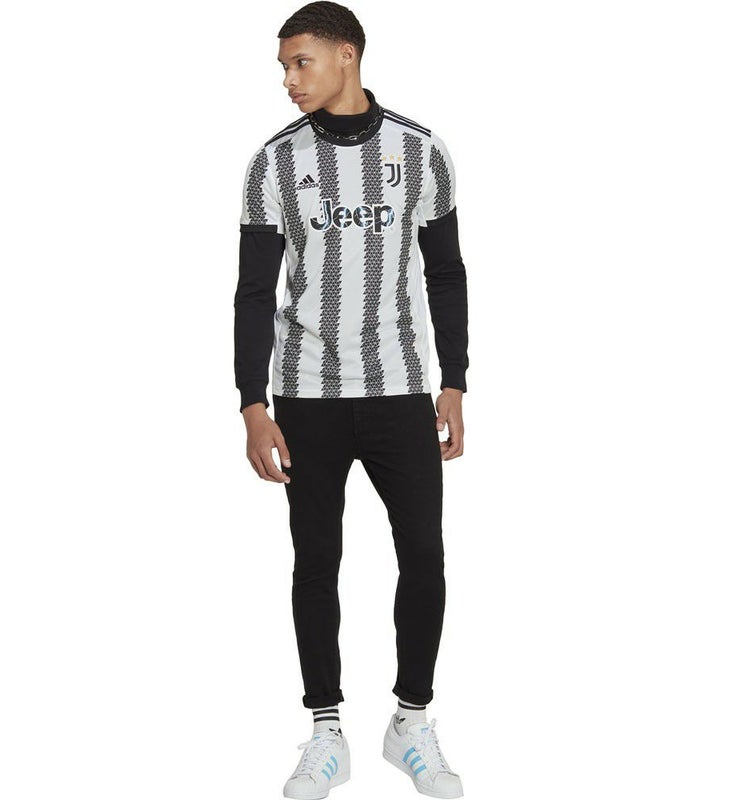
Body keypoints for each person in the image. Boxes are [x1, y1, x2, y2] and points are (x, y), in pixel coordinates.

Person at [234, 3, 469, 797]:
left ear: (347, 55)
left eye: (300, 62)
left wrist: (455, 380)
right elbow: (253, 292)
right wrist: (252, 402)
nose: (288, 80)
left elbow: (446, 272)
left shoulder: (421, 150)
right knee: (316, 562)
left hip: (400, 387)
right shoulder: (273, 163)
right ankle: (326, 730)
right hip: (307, 393)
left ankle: (411, 722)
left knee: (424, 556)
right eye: (283, 66)